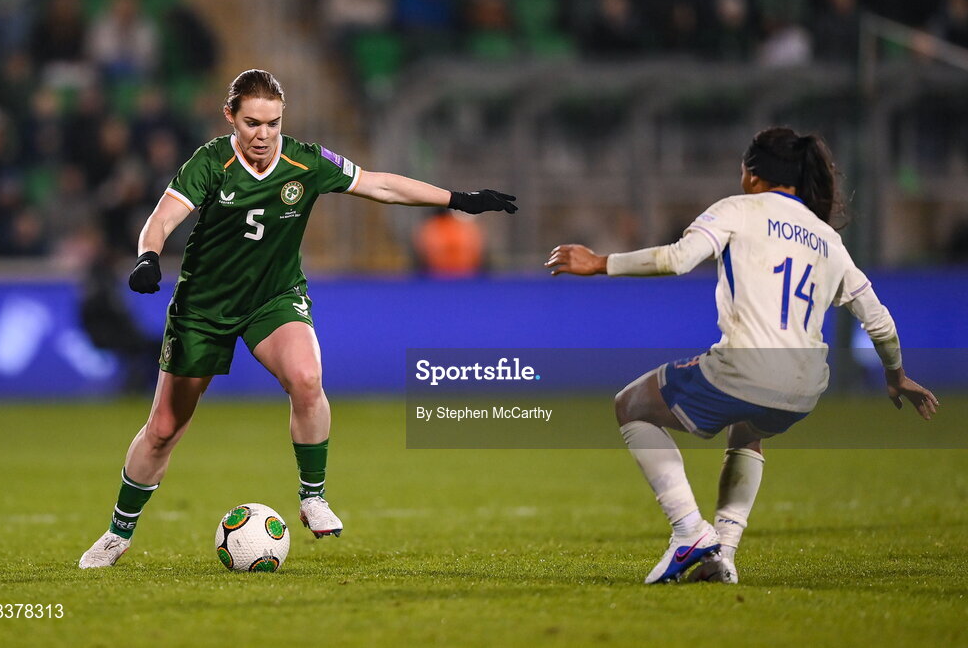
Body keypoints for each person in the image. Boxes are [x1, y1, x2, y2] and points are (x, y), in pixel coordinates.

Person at [79, 69, 517, 568]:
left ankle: (313, 497)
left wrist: (458, 199)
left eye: (272, 123)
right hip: (204, 307)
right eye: (251, 123)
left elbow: (381, 186)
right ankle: (118, 534)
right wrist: (147, 258)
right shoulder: (210, 162)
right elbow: (161, 219)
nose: (263, 135)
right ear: (230, 118)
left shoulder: (304, 161)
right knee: (163, 428)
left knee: (308, 379)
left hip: (275, 297)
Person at [545, 127, 938, 584]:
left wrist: (600, 262)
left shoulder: (738, 209)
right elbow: (880, 320)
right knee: (747, 432)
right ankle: (722, 557)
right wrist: (896, 376)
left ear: (752, 174)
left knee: (631, 405)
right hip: (805, 387)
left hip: (747, 365)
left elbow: (677, 259)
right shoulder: (828, 240)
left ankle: (689, 531)